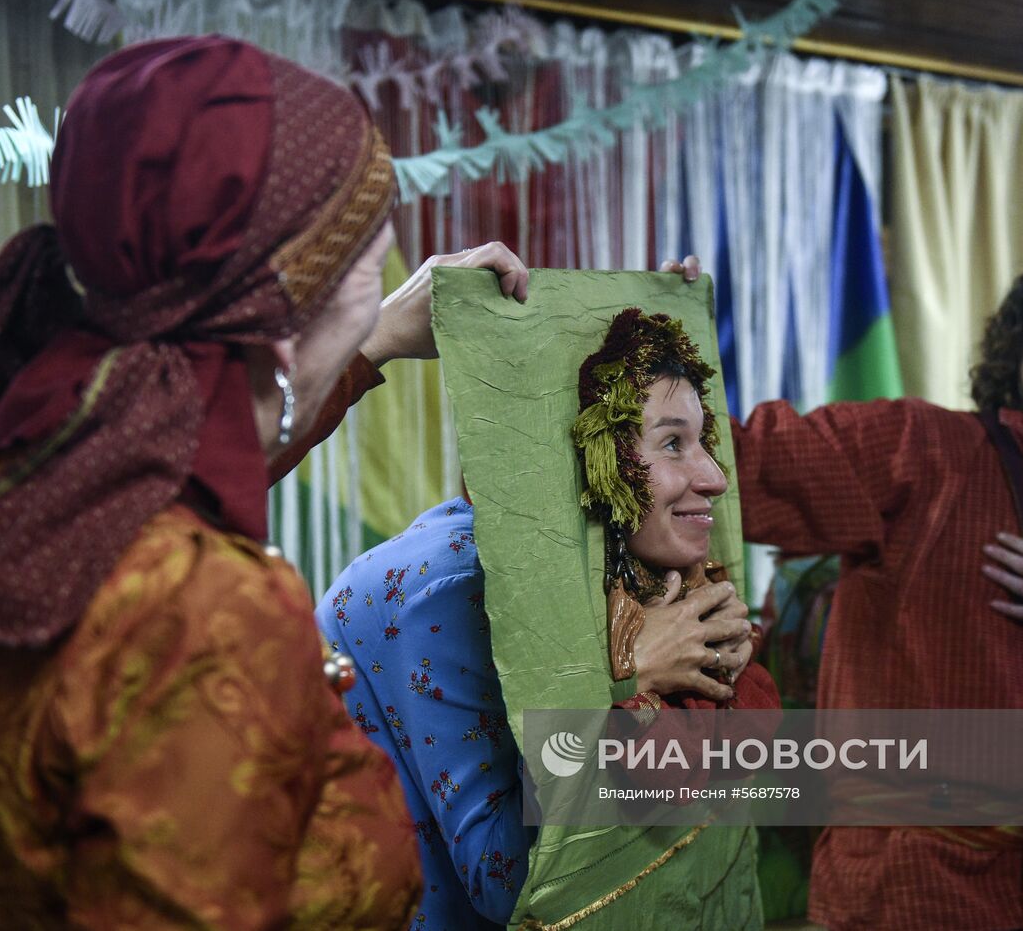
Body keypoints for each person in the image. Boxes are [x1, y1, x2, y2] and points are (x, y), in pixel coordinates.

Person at [0, 36, 526, 929]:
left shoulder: (52, 487)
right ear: (282, 305)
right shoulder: (210, 608)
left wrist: (368, 337)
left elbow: (190, 449)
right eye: (365, 251)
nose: (388, 253)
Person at [674, 244, 1023, 931]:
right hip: (906, 879)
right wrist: (666, 337)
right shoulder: (922, 448)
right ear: (1022, 342)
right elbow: (745, 466)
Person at [316, 307, 779, 930]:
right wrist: (627, 676)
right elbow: (508, 882)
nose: (716, 477)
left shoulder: (624, 569)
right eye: (673, 443)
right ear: (584, 456)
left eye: (703, 441)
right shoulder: (452, 589)